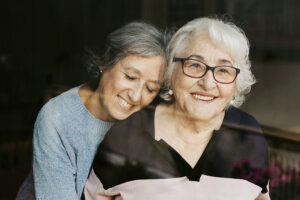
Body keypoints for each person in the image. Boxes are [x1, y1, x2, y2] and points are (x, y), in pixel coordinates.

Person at [84, 17, 270, 200]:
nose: (207, 83)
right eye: (195, 65)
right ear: (172, 72)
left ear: (236, 84)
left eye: (223, 70)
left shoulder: (249, 134)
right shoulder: (128, 134)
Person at [16, 21, 169, 200]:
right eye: (130, 77)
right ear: (104, 63)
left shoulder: (145, 123)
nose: (136, 97)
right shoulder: (58, 118)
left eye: (150, 88)